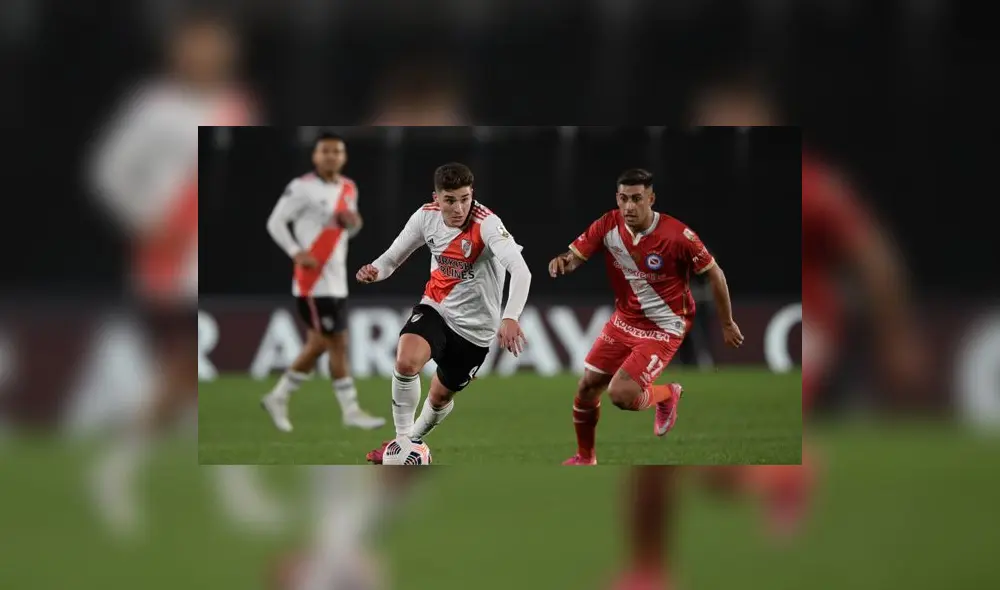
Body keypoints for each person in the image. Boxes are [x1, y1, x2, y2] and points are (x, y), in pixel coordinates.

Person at [548, 168, 744, 465]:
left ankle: (667, 394)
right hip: (625, 319)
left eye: (637, 199)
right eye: (624, 199)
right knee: (587, 387)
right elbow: (575, 257)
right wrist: (563, 262)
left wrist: (727, 322)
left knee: (621, 395)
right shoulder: (607, 225)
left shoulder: (678, 235)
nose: (629, 206)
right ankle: (585, 457)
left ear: (651, 198)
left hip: (666, 325)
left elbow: (715, 274)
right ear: (617, 198)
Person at [355, 162, 532, 463]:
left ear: (472, 194)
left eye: (465, 198)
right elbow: (392, 259)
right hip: (436, 308)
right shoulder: (426, 217)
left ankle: (412, 440)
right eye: (450, 200)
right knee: (406, 360)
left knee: (439, 398)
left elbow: (521, 270)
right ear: (436, 198)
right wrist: (375, 270)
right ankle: (400, 443)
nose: (459, 207)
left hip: (476, 331)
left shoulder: (487, 223)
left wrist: (511, 316)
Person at [261, 132, 385, 432]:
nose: (331, 156)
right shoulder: (301, 188)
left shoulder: (348, 188)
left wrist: (353, 224)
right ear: (316, 156)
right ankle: (350, 410)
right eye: (325, 151)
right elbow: (275, 222)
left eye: (337, 151)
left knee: (321, 344)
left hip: (337, 280)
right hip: (312, 280)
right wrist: (296, 251)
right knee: (334, 342)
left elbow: (348, 230)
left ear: (343, 157)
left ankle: (278, 397)